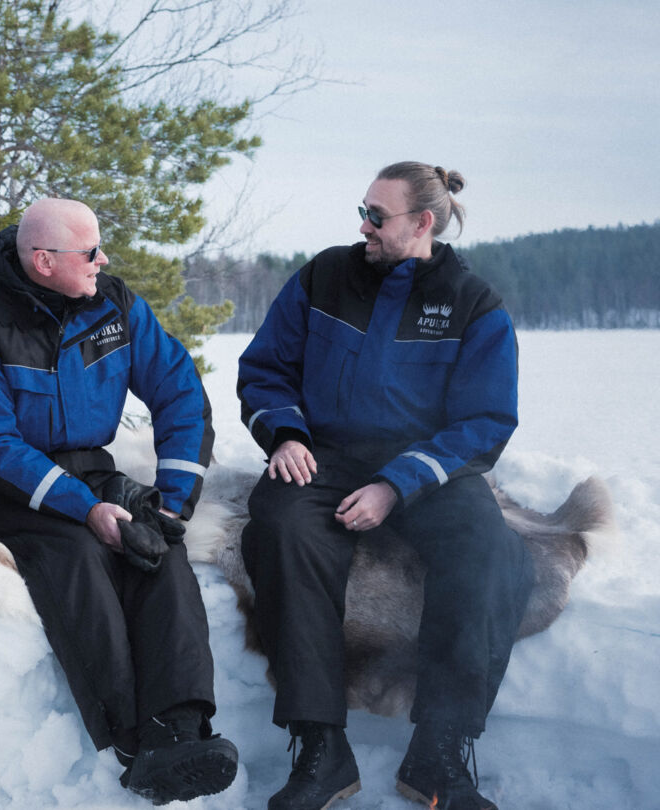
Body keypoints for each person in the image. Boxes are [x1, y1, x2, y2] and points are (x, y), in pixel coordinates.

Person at [237, 162, 534, 810]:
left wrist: (396, 486)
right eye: (362, 210)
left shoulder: (473, 302)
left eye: (377, 215)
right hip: (325, 455)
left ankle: (439, 752)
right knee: (282, 532)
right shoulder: (322, 277)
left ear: (422, 223)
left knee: (489, 552)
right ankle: (320, 749)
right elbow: (264, 370)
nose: (363, 225)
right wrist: (285, 435)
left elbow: (485, 422)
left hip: (431, 466)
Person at [0, 198, 238, 804]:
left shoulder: (115, 306)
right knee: (77, 554)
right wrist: (85, 508)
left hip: (92, 471)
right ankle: (130, 740)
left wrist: (175, 503)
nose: (103, 260)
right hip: (7, 486)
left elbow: (180, 391)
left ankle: (179, 726)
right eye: (90, 252)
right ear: (44, 260)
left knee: (158, 549)